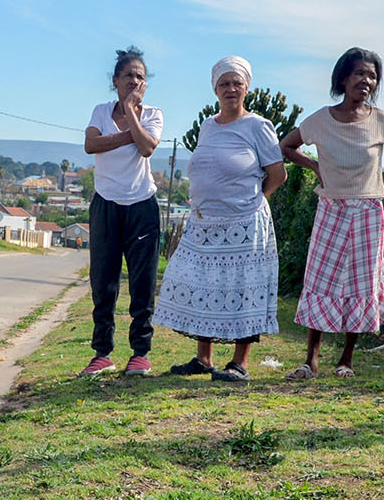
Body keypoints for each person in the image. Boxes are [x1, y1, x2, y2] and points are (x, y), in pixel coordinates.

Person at [278, 48, 384, 379]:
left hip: (368, 211)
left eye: (372, 76)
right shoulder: (321, 120)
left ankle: (346, 360)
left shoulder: (382, 120)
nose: (366, 81)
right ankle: (311, 360)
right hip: (331, 208)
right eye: (359, 73)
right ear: (343, 78)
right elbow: (286, 146)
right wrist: (314, 166)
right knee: (321, 278)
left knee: (361, 283)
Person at [156, 56, 287, 382]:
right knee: (202, 283)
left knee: (243, 288)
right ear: (215, 89)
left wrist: (251, 202)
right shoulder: (208, 126)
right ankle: (204, 359)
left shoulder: (258, 126)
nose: (230, 89)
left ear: (247, 88)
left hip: (244, 224)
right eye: (224, 83)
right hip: (204, 224)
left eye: (237, 83)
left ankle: (240, 363)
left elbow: (278, 174)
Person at [80, 46, 165, 377]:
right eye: (128, 74)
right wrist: (129, 134)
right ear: (115, 80)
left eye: (140, 76)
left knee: (142, 282)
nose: (134, 80)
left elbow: (146, 148)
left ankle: (140, 353)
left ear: (146, 84)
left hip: (142, 205)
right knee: (103, 281)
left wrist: (130, 112)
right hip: (105, 203)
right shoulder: (100, 111)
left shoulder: (153, 114)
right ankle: (102, 353)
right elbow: (91, 145)